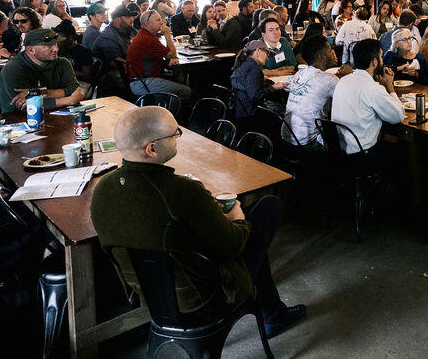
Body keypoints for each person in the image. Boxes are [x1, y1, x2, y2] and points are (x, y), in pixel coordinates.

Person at [90, 106, 306, 338]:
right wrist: (237, 219)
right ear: (151, 149)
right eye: (175, 134)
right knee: (267, 209)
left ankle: (273, 312)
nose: (177, 139)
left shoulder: (102, 189)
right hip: (202, 301)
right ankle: (273, 313)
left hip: (149, 296)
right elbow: (232, 246)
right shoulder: (183, 190)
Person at [330, 39, 405, 161]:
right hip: (362, 155)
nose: (382, 60)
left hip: (340, 150)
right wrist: (390, 87)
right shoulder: (372, 88)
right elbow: (398, 116)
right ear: (374, 61)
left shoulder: (343, 80)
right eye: (381, 56)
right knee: (402, 148)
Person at [0, 28, 85, 113]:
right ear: (31, 50)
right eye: (49, 46)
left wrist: (38, 93)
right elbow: (25, 107)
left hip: (58, 116)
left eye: (56, 44)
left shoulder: (63, 63)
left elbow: (74, 91)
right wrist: (68, 100)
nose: (56, 49)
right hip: (18, 120)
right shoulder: (13, 69)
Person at [285, 36, 352, 146]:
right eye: (330, 50)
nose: (333, 53)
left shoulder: (299, 73)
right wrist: (350, 75)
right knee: (348, 141)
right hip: (308, 142)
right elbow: (351, 98)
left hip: (288, 137)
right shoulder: (329, 80)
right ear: (322, 57)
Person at [126, 9, 191, 99]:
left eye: (161, 19)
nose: (162, 22)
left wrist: (170, 57)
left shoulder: (146, 35)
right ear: (149, 24)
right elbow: (172, 55)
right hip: (142, 83)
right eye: (158, 20)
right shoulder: (147, 39)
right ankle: (168, 111)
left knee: (179, 80)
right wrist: (168, 35)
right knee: (186, 91)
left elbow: (168, 55)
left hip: (141, 79)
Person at [229, 40, 289, 120]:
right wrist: (274, 87)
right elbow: (255, 96)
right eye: (267, 54)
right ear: (258, 51)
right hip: (249, 115)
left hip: (239, 110)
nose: (267, 58)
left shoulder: (245, 63)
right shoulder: (254, 67)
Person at [54, 19, 95, 84]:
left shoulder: (83, 52)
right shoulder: (59, 49)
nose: (57, 40)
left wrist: (64, 72)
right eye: (56, 36)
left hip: (80, 83)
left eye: (60, 36)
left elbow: (87, 75)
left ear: (70, 37)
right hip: (64, 81)